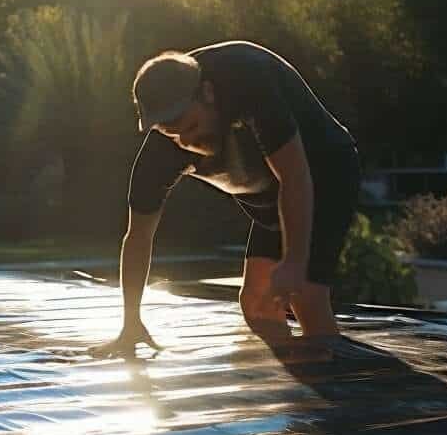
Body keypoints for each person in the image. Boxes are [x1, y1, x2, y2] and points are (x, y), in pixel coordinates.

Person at [91, 40, 360, 358]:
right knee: (257, 304)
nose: (186, 141)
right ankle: (304, 382)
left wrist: (294, 261)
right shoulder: (160, 154)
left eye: (191, 126)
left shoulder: (249, 82)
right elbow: (137, 237)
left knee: (304, 294)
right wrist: (130, 322)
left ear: (208, 93)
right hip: (266, 193)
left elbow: (295, 176)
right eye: (173, 134)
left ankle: (343, 390)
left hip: (323, 172)